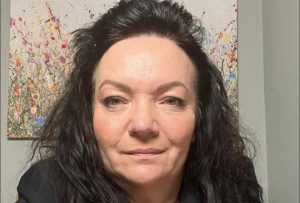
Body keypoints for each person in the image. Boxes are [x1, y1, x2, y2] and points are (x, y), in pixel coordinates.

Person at [16, 0, 263, 202]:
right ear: (88, 114)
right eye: (115, 100)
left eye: (171, 100)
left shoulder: (236, 185)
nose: (143, 125)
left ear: (199, 118)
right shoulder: (46, 190)